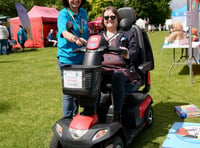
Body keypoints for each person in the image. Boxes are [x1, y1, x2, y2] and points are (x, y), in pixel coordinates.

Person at [99, 6, 139, 121]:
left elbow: (134, 51)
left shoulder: (127, 34)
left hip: (122, 70)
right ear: (103, 20)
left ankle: (117, 115)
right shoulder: (99, 36)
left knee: (117, 77)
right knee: (90, 76)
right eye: (106, 17)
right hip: (103, 70)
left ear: (118, 19)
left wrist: (127, 53)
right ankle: (93, 110)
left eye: (112, 17)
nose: (109, 19)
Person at [57, 0, 89, 118]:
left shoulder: (83, 13)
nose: (76, 0)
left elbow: (85, 32)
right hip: (68, 58)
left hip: (83, 56)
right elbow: (64, 32)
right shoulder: (63, 14)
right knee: (70, 91)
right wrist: (75, 39)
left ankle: (76, 116)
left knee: (80, 90)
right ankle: (67, 119)